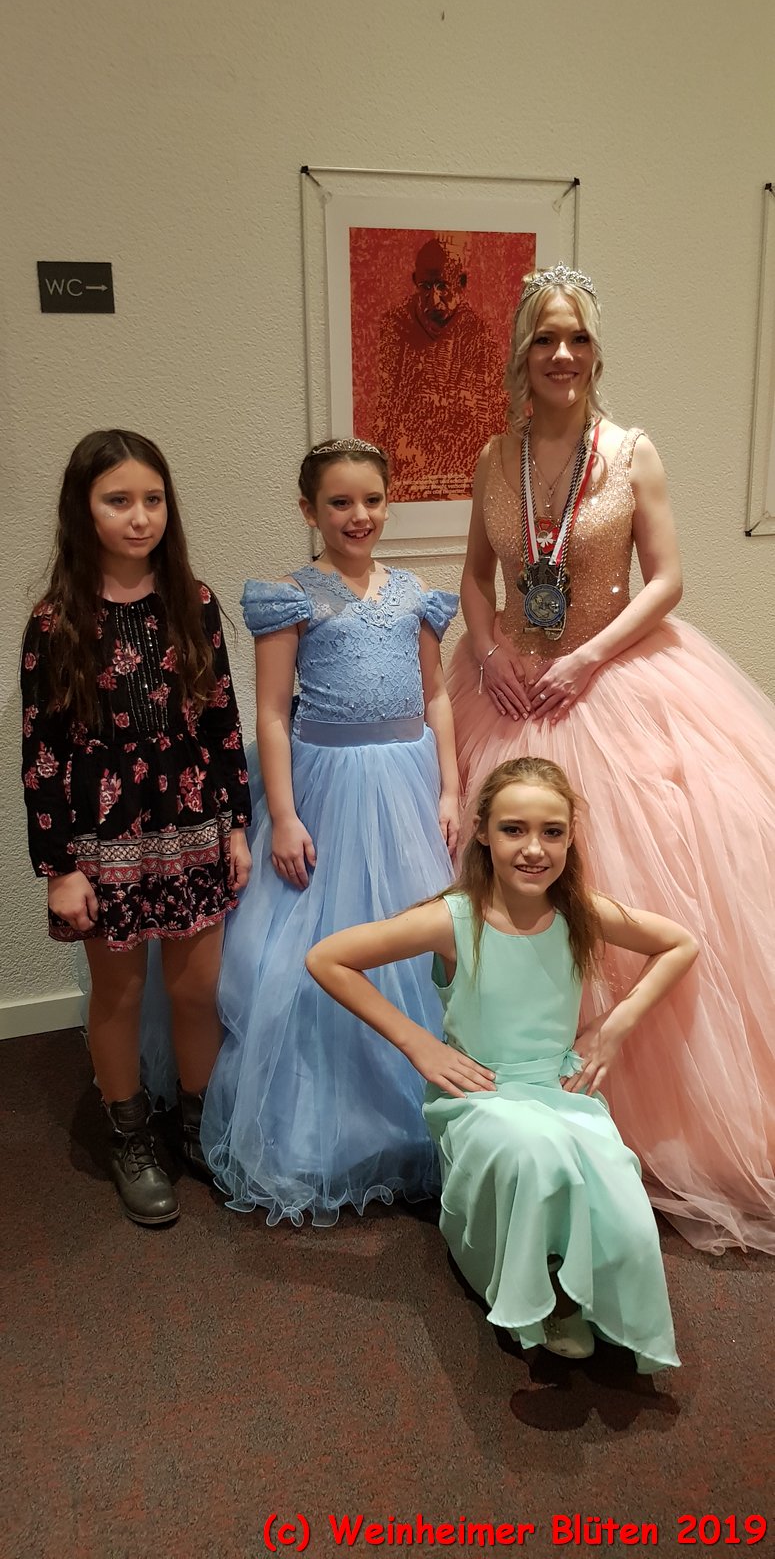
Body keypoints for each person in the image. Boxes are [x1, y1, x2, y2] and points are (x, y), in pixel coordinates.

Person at [447, 263, 775, 1255]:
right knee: (499, 881)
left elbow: (665, 580)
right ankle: (519, 1097)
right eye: (545, 337)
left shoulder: (632, 452)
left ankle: (635, 1120)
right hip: (510, 688)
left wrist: (588, 657)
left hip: (613, 680)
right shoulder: (493, 457)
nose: (562, 354)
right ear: (521, 352)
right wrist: (489, 651)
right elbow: (473, 578)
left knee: (635, 881)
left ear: (595, 352)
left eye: (578, 338)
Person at [308, 757, 696, 1372]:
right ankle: (532, 1284)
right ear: (484, 832)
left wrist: (613, 1027)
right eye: (514, 829)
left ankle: (577, 1278)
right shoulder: (453, 919)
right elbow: (328, 958)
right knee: (535, 1150)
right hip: (480, 1096)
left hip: (559, 1090)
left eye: (552, 832)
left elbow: (680, 943)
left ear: (570, 838)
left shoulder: (580, 912)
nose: (534, 849)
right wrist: (418, 1044)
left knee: (613, 1177)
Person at [202, 437, 460, 1225]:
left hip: (406, 782)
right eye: (339, 502)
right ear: (308, 509)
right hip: (324, 787)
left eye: (372, 500)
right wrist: (284, 816)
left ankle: (420, 1116)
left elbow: (436, 698)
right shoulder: (289, 598)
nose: (358, 515)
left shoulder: (415, 594)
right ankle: (329, 1126)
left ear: (388, 502)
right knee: (317, 938)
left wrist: (451, 787)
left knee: (413, 941)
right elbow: (272, 714)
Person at [20, 430, 252, 1227]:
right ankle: (129, 1136)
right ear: (82, 510)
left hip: (191, 822)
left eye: (152, 499)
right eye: (118, 500)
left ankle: (197, 1121)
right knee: (118, 996)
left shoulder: (195, 602)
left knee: (195, 989)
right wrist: (59, 867)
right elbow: (41, 751)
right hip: (104, 837)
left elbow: (222, 722)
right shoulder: (56, 621)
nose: (139, 516)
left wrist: (236, 825)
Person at [371, 235, 506, 501]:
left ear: (462, 283)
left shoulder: (478, 334)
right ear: (415, 281)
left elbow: (493, 417)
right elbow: (384, 407)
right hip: (408, 470)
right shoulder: (395, 327)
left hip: (463, 474)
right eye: (425, 286)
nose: (434, 299)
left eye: (443, 286)